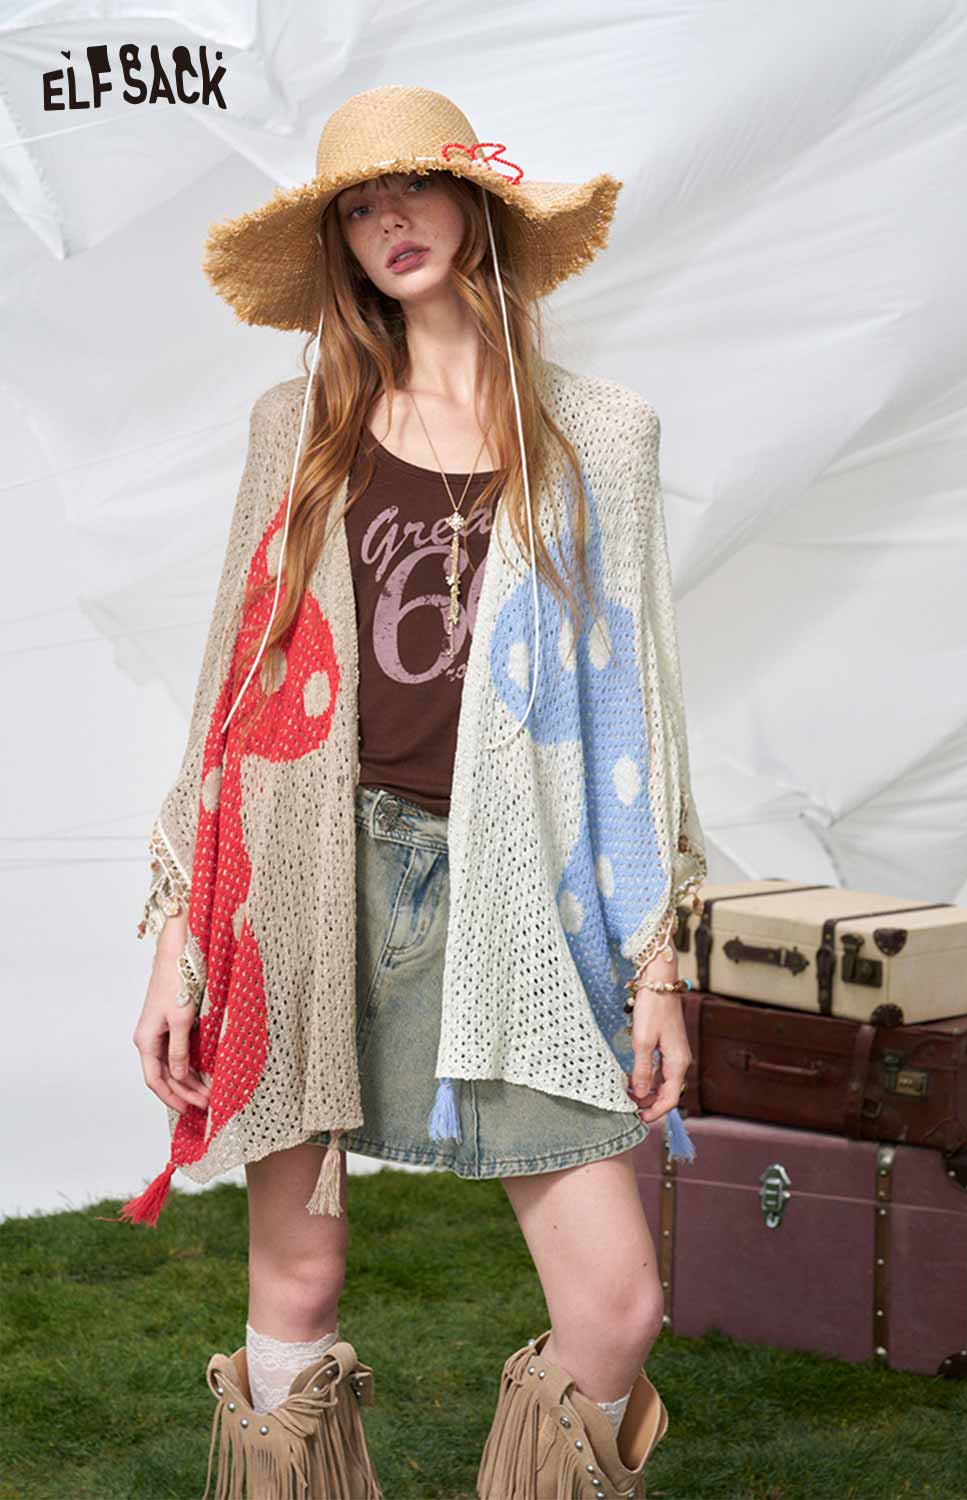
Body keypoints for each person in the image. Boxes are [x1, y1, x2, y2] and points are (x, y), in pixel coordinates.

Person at [122, 84, 708, 1500]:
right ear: (338, 244)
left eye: (414, 190)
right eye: (359, 208)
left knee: (616, 1302)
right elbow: (229, 698)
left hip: (513, 897)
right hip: (313, 880)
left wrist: (657, 964)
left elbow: (634, 714)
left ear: (476, 206)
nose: (391, 223)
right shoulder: (299, 426)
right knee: (298, 1281)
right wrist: (181, 943)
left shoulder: (601, 435)